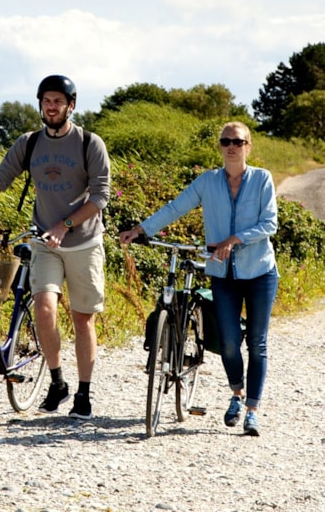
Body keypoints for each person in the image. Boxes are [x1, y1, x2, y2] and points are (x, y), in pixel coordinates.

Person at [0, 74, 111, 420]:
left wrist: (64, 225)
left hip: (83, 242)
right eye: (46, 101)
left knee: (83, 320)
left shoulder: (89, 143)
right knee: (44, 308)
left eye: (58, 101)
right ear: (40, 104)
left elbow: (100, 196)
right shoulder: (30, 143)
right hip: (44, 243)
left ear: (71, 105)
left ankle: (83, 393)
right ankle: (57, 381)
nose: (51, 107)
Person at [119, 121, 277, 436]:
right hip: (222, 273)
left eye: (238, 141)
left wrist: (234, 239)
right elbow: (176, 207)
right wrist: (141, 230)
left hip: (259, 272)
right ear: (220, 146)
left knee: (257, 344)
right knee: (230, 343)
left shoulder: (262, 179)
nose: (231, 146)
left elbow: (269, 223)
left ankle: (252, 412)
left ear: (249, 146)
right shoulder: (208, 181)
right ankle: (237, 394)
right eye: (226, 141)